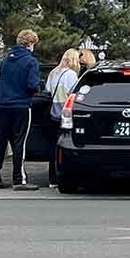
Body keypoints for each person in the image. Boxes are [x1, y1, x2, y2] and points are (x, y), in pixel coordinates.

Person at [0, 29, 42, 190]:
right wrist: (38, 87)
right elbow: (32, 86)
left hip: (3, 106)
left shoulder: (5, 61)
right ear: (30, 44)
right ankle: (19, 179)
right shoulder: (30, 61)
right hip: (21, 106)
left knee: (0, 141)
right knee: (19, 142)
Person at [44, 49, 80, 187]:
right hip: (64, 116)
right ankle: (62, 176)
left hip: (53, 114)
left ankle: (52, 178)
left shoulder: (53, 73)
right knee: (65, 148)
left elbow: (48, 90)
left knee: (53, 148)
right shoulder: (71, 74)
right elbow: (74, 94)